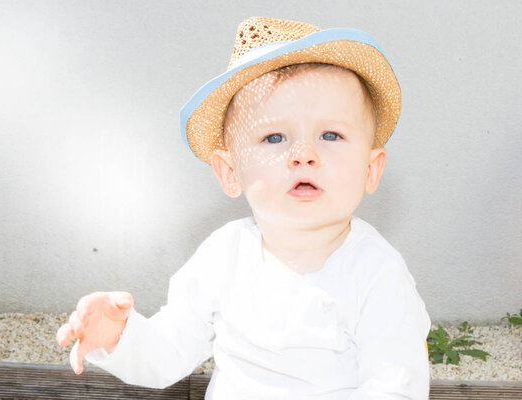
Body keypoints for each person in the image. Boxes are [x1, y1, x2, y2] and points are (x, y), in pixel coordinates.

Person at [56, 16, 431, 399]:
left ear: (371, 169)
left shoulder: (376, 274)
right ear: (231, 172)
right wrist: (119, 337)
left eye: (330, 134)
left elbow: (395, 387)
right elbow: (170, 349)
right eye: (274, 137)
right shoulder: (224, 256)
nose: (304, 154)